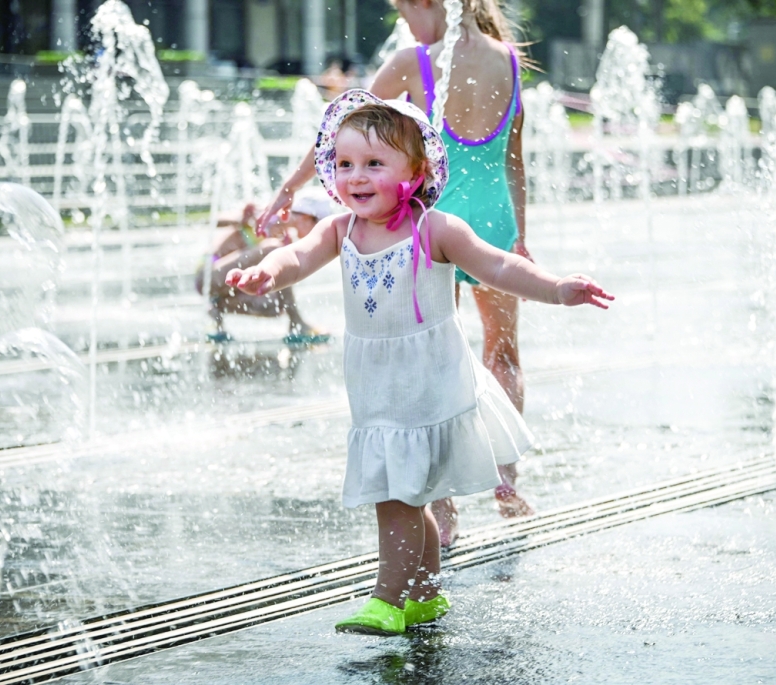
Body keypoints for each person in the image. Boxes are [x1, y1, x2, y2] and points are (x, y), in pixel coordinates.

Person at [226, 92, 612, 635]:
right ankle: (426, 595)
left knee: (395, 495)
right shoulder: (342, 229)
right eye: (344, 164)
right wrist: (269, 270)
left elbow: (499, 266)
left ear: (417, 169)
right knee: (415, 491)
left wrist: (557, 288)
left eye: (374, 164)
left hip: (428, 383)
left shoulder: (435, 229)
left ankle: (386, 599)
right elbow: (298, 254)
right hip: (378, 384)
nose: (355, 177)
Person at [255, 0, 537, 547]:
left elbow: (339, 133)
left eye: (402, 6)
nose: (401, 18)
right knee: (503, 352)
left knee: (434, 358)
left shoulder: (416, 60)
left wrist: (289, 189)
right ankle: (506, 481)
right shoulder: (507, 58)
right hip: (495, 216)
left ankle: (444, 506)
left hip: (430, 223)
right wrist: (520, 234)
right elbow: (514, 158)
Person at [196, 189, 334, 343]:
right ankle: (296, 321)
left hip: (229, 283)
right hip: (209, 275)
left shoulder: (286, 238)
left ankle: (217, 309)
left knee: (274, 304)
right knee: (275, 249)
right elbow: (214, 220)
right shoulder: (266, 215)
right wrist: (241, 218)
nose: (320, 235)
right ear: (307, 218)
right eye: (319, 227)